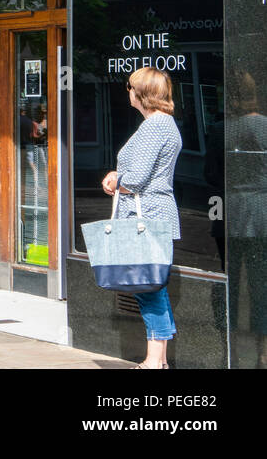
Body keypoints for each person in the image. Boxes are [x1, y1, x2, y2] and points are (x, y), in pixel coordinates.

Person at [102, 66, 183, 370]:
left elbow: (135, 178)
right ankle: (158, 360)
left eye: (130, 86)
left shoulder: (154, 127)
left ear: (142, 93)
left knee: (149, 290)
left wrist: (113, 177)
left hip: (145, 217)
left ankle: (154, 360)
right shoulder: (165, 124)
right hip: (152, 216)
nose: (128, 91)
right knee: (152, 287)